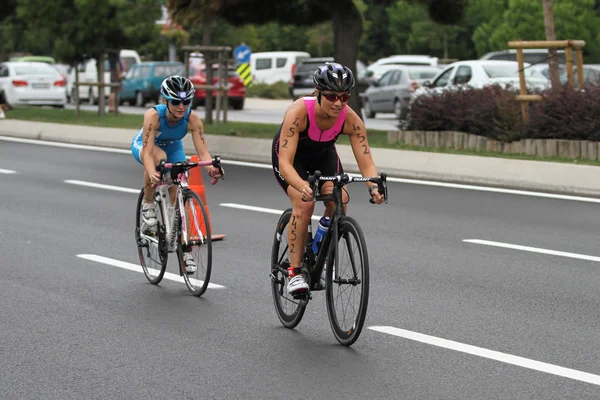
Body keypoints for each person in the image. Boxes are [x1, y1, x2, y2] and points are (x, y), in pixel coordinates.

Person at [271, 62, 385, 296]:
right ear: (318, 93)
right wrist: (302, 185)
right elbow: (285, 163)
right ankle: (294, 273)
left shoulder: (350, 119)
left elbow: (366, 161)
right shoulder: (298, 112)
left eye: (344, 97)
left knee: (340, 199)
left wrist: (374, 186)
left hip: (324, 156)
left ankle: (319, 247)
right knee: (304, 202)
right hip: (292, 160)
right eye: (332, 96)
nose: (338, 103)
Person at [131, 75, 223, 273]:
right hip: (147, 146)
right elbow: (147, 153)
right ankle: (148, 205)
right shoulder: (153, 115)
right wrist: (151, 172)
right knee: (159, 159)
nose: (181, 106)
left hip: (173, 147)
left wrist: (210, 168)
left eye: (186, 101)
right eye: (175, 102)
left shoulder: (193, 119)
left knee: (180, 192)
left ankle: (185, 248)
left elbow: (202, 152)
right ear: (166, 100)